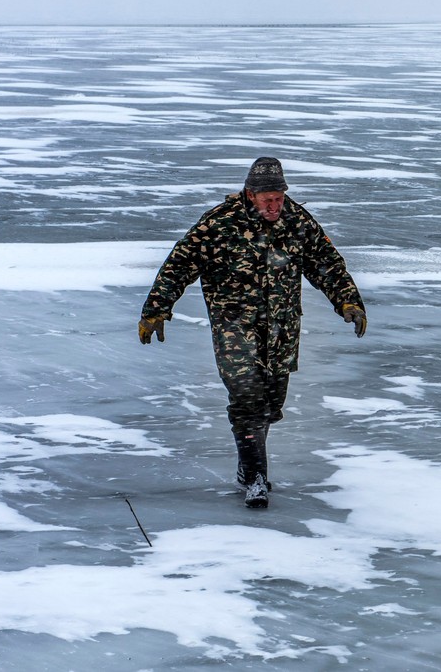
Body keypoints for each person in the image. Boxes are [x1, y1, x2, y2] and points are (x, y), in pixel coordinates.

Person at [138, 157, 367, 508]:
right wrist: (157, 309)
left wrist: (348, 301)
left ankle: (250, 465)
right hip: (235, 328)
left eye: (279, 198)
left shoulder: (297, 221)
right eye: (267, 200)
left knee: (272, 404)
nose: (275, 206)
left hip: (282, 329)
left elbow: (326, 264)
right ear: (250, 195)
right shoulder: (219, 223)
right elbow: (179, 265)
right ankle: (255, 475)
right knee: (248, 400)